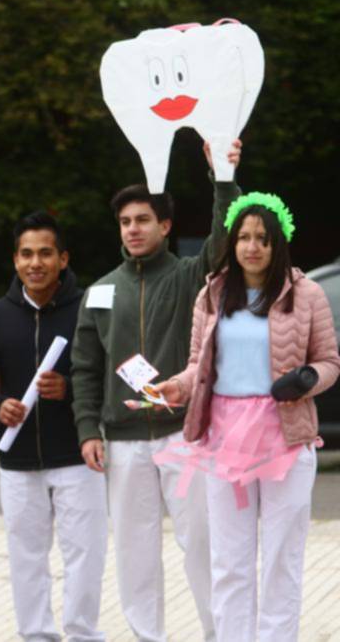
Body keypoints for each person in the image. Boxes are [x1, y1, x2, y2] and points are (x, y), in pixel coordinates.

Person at [71, 139, 242, 641]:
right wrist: (88, 429)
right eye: (125, 222)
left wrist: (224, 178)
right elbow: (85, 366)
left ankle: (221, 634)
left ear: (165, 226)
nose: (133, 229)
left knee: (203, 544)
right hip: (124, 441)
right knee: (134, 552)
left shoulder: (191, 275)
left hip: (182, 435)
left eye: (143, 220)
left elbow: (224, 239)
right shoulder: (100, 290)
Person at [151, 193, 339, 641]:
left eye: (263, 239)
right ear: (232, 243)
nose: (252, 247)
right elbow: (198, 364)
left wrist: (307, 379)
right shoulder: (212, 293)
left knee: (281, 559)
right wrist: (176, 386)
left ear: (278, 244)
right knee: (229, 560)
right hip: (224, 436)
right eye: (244, 237)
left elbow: (330, 361)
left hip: (285, 434)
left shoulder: (307, 294)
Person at [0, 211, 107, 641]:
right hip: (18, 461)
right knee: (26, 558)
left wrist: (71, 389)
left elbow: (111, 372)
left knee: (85, 555)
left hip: (78, 456)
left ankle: (82, 635)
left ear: (63, 259)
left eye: (45, 253)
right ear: (15, 260)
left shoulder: (88, 312)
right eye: (26, 254)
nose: (35, 263)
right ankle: (36, 636)